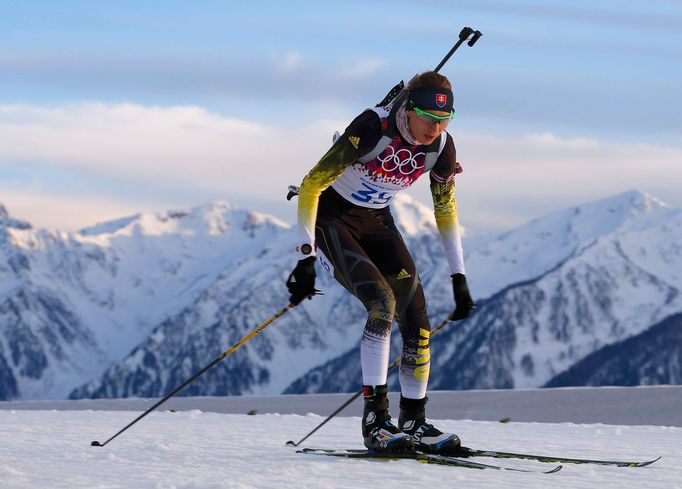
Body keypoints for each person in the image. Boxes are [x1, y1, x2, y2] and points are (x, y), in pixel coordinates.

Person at [286, 71, 475, 454]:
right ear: (409, 108)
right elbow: (311, 185)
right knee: (382, 304)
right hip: (333, 219)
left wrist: (459, 275)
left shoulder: (441, 147)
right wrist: (306, 258)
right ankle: (376, 421)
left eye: (444, 121)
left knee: (418, 321)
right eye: (428, 119)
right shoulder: (373, 127)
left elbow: (446, 209)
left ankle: (414, 421)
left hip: (377, 221)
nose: (434, 129)